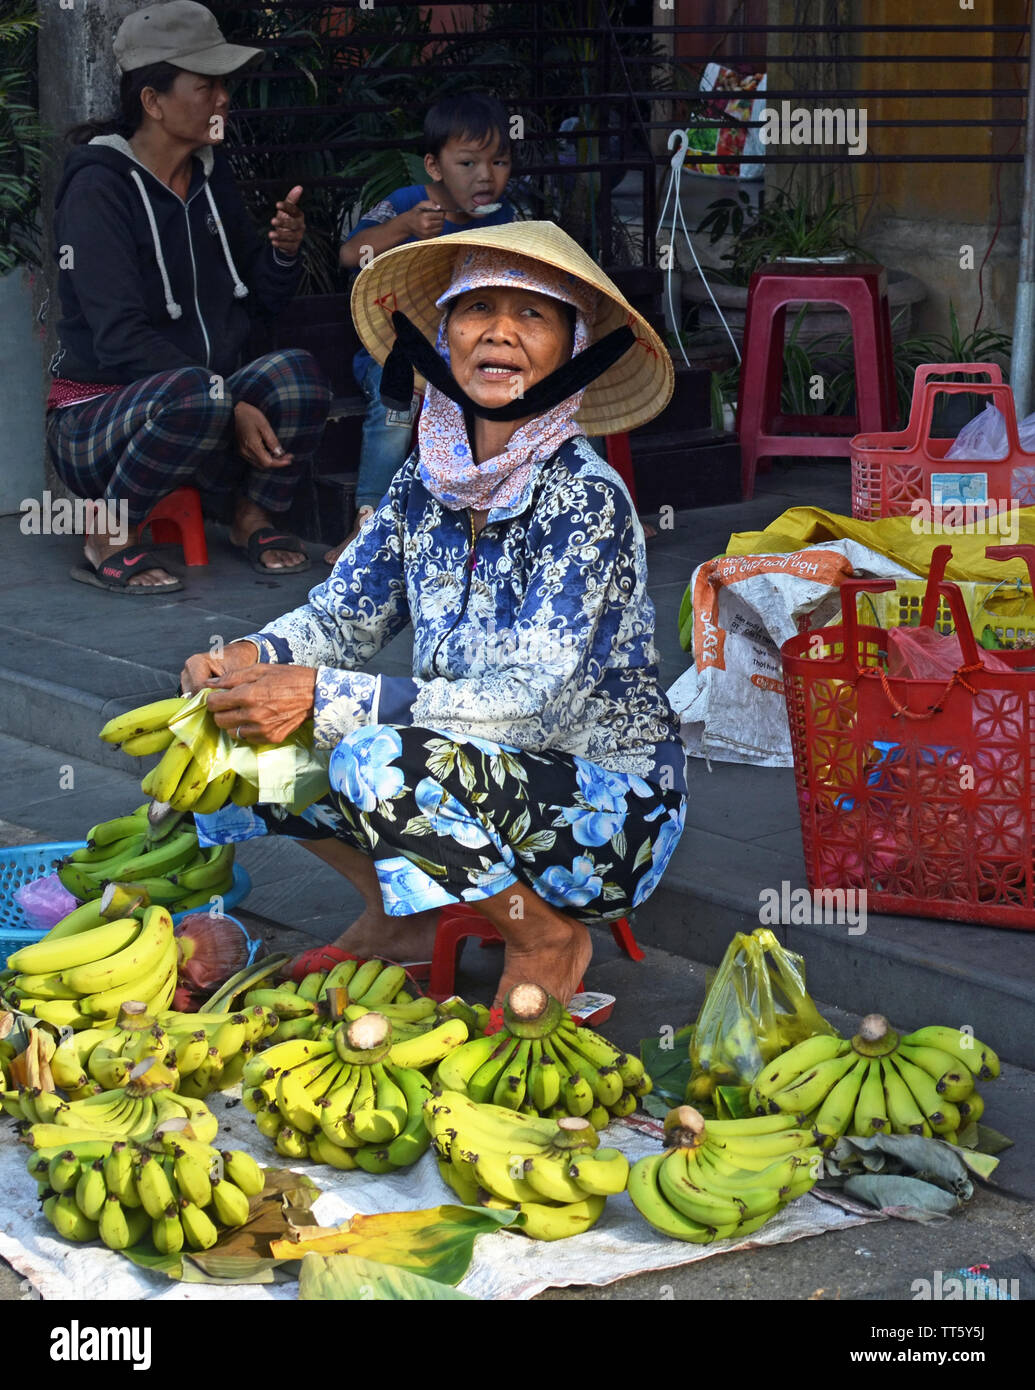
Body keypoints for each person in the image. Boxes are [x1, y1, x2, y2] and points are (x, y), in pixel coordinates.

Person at [181, 221, 686, 1008]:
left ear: (573, 348)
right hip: (458, 769)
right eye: (477, 307)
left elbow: (529, 701)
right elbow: (341, 616)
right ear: (442, 335)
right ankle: (401, 916)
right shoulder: (425, 481)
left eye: (534, 315)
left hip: (600, 808)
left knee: (370, 757)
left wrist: (323, 697)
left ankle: (543, 936)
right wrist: (250, 655)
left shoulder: (583, 499)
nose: (500, 332)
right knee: (239, 740)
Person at [46, 1, 332, 594]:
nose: (223, 99)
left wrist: (283, 251)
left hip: (199, 405)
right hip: (99, 419)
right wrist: (226, 402)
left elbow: (260, 300)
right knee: (198, 393)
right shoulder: (98, 188)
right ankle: (107, 530)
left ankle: (251, 516)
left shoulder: (209, 174)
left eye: (224, 85)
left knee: (298, 376)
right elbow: (120, 339)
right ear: (153, 101)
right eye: (206, 86)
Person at [323, 94, 515, 565]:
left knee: (557, 391)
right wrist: (407, 226)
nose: (486, 176)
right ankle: (367, 525)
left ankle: (589, 512)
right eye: (467, 162)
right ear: (434, 166)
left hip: (474, 358)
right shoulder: (409, 203)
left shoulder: (509, 218)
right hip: (396, 353)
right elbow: (352, 254)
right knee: (396, 403)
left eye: (499, 162)